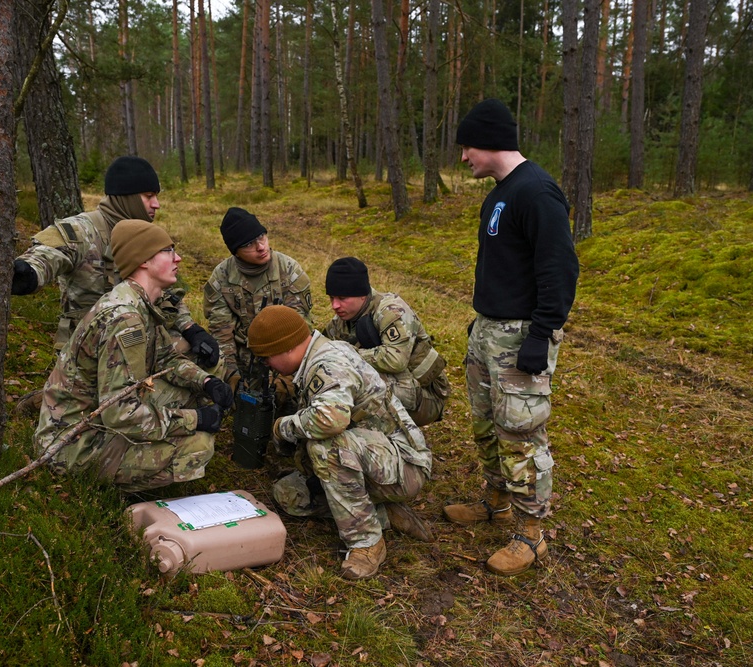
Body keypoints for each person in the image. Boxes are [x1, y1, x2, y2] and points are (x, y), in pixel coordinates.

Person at [443, 98, 579, 577]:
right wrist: (483, 323)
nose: (463, 158)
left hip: (522, 335)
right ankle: (496, 502)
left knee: (521, 435)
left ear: (491, 142)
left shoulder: (537, 192)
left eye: (467, 148)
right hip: (489, 333)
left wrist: (540, 335)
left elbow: (559, 270)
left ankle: (531, 536)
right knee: (486, 426)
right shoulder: (500, 191)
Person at [33, 219, 234, 493]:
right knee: (197, 446)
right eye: (168, 251)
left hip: (94, 415)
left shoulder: (139, 302)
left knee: (198, 387)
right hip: (73, 443)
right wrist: (194, 419)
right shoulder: (125, 318)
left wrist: (207, 383)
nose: (178, 258)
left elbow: (166, 359)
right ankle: (109, 492)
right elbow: (119, 414)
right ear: (143, 261)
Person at [247, 305, 433, 580]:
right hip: (373, 457)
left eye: (266, 359)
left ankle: (367, 543)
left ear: (285, 348)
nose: (267, 366)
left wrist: (283, 427)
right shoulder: (316, 357)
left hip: (404, 465)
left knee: (326, 448)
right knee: (289, 496)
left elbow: (330, 421)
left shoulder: (327, 364)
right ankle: (381, 514)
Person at [0, 156, 218, 368]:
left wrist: (190, 328)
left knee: (201, 362)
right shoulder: (81, 230)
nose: (156, 204)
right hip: (89, 349)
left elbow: (163, 294)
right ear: (129, 197)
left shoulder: (144, 235)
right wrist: (28, 274)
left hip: (136, 338)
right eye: (149, 196)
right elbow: (48, 254)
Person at [322, 257, 450, 427]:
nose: (335, 305)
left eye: (342, 298)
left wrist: (346, 355)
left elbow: (395, 360)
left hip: (426, 396)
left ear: (361, 294)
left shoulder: (391, 311)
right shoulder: (341, 320)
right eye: (331, 298)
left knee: (355, 380)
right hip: (399, 386)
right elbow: (322, 348)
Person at [204, 207, 312, 395]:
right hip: (244, 361)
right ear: (235, 251)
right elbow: (221, 334)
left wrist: (285, 379)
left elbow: (300, 330)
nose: (261, 247)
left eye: (261, 237)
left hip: (286, 359)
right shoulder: (221, 278)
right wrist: (231, 377)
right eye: (248, 244)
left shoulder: (289, 270)